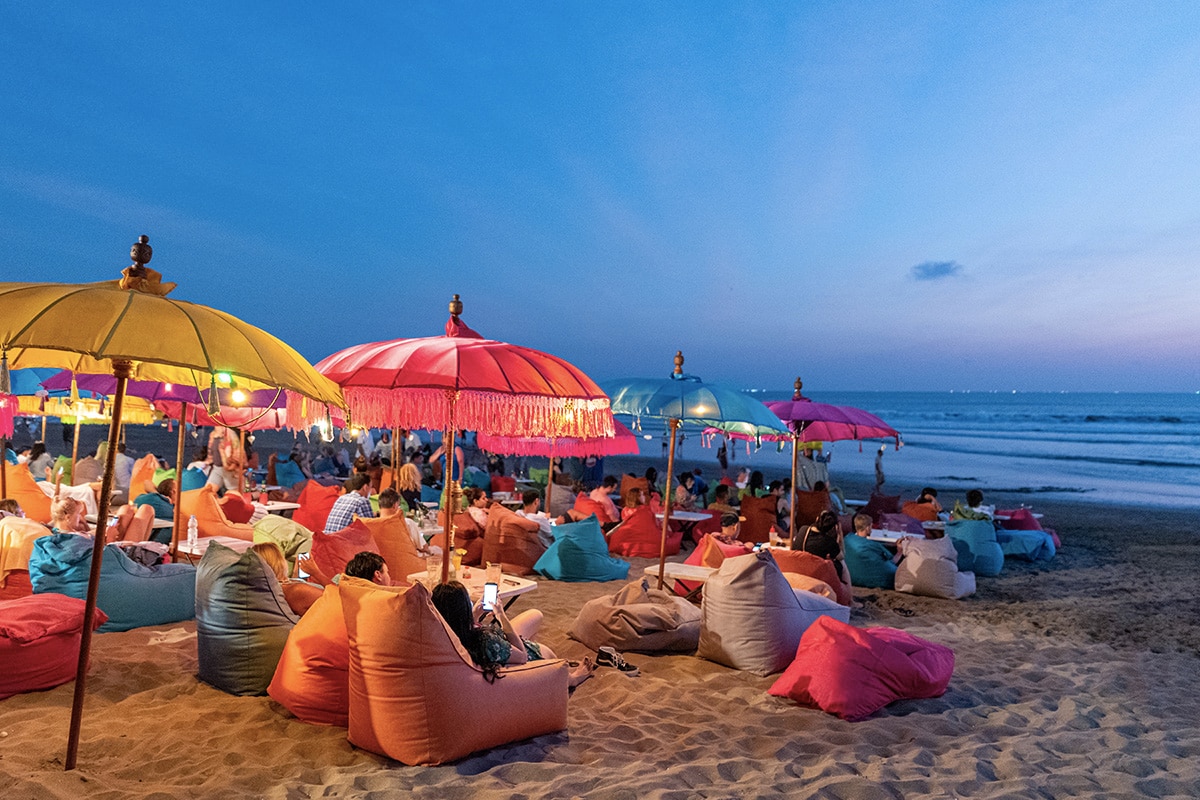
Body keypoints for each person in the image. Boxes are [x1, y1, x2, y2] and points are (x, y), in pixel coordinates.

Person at [431, 580, 593, 687]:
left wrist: (473, 615)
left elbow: (462, 630)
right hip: (526, 655)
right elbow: (522, 655)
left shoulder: (445, 632)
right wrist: (501, 615)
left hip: (499, 645)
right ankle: (572, 679)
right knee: (547, 655)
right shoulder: (485, 640)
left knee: (535, 614)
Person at [794, 510, 850, 585]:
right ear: (834, 527)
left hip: (799, 567)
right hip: (815, 573)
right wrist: (840, 535)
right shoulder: (829, 542)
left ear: (817, 519)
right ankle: (846, 591)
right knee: (841, 563)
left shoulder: (803, 530)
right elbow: (841, 556)